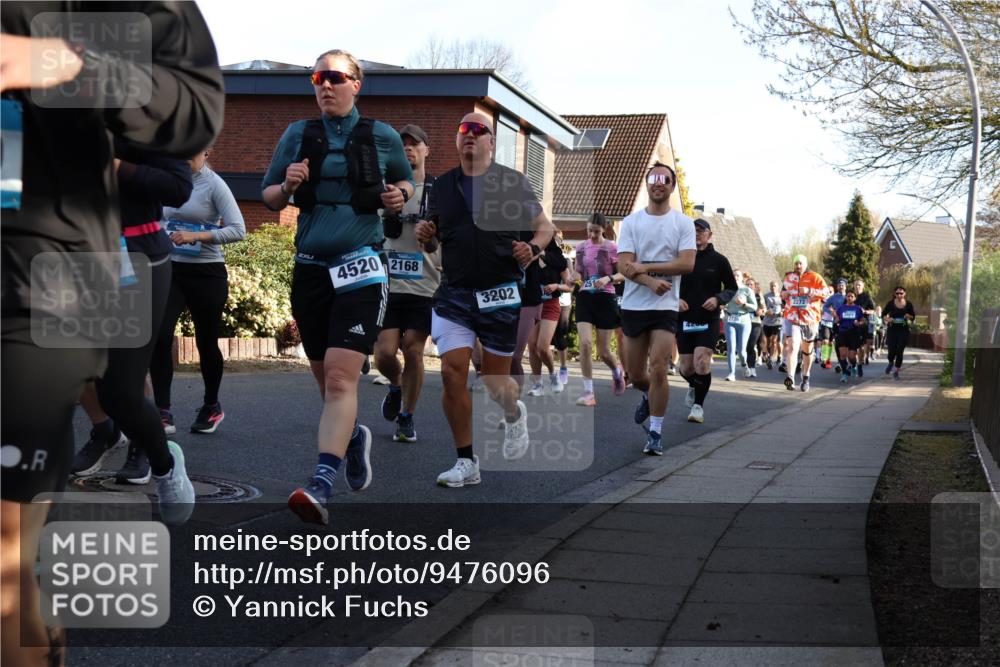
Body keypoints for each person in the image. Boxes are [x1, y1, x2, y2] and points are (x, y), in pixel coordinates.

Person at [1, 4, 224, 665]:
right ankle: (91, 441)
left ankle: (164, 463)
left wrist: (63, 70)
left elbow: (182, 154)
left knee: (123, 388)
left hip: (115, 256)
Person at [261, 50, 413, 523]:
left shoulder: (383, 136)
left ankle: (321, 484)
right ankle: (352, 438)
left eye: (334, 77)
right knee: (326, 379)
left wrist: (400, 195)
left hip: (361, 264)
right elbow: (268, 198)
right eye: (317, 77)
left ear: (356, 84)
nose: (325, 85)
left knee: (342, 378)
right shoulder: (297, 134)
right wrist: (288, 186)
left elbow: (406, 182)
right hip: (310, 267)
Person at [414, 112, 554, 487]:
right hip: (455, 293)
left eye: (479, 130)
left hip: (499, 293)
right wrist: (426, 235)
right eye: (464, 129)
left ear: (492, 141)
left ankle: (513, 413)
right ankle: (466, 461)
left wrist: (532, 249)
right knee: (452, 371)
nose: (470, 135)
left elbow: (545, 228)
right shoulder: (442, 186)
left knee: (495, 382)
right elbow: (431, 240)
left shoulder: (513, 182)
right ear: (456, 139)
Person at [71, 143, 194, 492]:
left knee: (121, 389)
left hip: (133, 256)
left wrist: (115, 166)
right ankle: (106, 430)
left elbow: (178, 187)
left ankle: (159, 460)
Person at [149, 147, 245, 435]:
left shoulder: (215, 185)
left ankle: (211, 406)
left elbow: (238, 230)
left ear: (207, 152)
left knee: (206, 341)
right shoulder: (166, 180)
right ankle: (162, 411)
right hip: (170, 269)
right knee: (160, 336)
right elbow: (156, 219)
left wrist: (198, 235)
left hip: (206, 273)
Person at [619, 163, 696, 455]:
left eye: (664, 179)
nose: (658, 182)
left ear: (672, 186)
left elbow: (687, 263)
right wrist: (650, 281)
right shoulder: (631, 222)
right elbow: (624, 265)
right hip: (634, 304)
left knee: (660, 367)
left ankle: (655, 433)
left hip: (665, 305)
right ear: (647, 184)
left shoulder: (683, 223)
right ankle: (647, 395)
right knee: (637, 375)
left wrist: (648, 267)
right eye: (653, 178)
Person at [374, 124, 439, 442]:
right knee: (384, 354)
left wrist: (432, 238)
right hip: (388, 285)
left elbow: (442, 242)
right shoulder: (385, 190)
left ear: (427, 149)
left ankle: (406, 417)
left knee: (413, 349)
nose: (409, 149)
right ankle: (396, 385)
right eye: (403, 145)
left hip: (424, 286)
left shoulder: (437, 193)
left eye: (415, 143)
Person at [677, 218, 737, 423]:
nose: (696, 234)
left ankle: (697, 407)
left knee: (702, 362)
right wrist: (676, 300)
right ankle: (694, 385)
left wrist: (718, 299)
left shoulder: (719, 260)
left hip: (707, 319)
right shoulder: (681, 258)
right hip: (684, 318)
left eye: (701, 231)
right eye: (693, 230)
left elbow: (732, 288)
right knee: (686, 368)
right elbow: (668, 283)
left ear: (709, 235)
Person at [573, 213, 626, 406]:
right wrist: (573, 276)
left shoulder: (612, 248)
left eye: (596, 231)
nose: (592, 235)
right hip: (585, 298)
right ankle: (588, 392)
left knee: (604, 352)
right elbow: (579, 272)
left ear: (604, 229)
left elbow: (623, 274)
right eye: (589, 231)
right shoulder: (581, 247)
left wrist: (608, 278)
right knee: (585, 343)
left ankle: (616, 372)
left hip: (606, 298)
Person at [780, 254, 831, 392]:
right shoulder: (789, 278)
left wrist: (809, 291)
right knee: (792, 346)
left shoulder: (815, 277)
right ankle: (790, 377)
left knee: (807, 351)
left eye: (800, 263)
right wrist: (784, 295)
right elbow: (783, 293)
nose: (798, 266)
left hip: (810, 319)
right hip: (792, 317)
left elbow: (826, 293)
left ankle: (806, 377)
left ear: (805, 264)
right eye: (796, 263)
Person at [527, 235, 570, 396]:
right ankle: (538, 384)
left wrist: (556, 286)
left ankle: (553, 375)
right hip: (532, 304)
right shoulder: (529, 258)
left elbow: (570, 286)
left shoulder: (557, 261)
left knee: (542, 347)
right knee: (532, 345)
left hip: (551, 305)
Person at [722, 270, 757, 381]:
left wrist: (744, 304)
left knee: (741, 350)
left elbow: (755, 307)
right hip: (729, 320)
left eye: (737, 275)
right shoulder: (727, 290)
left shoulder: (747, 290)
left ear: (742, 278)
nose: (735, 277)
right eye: (733, 275)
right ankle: (731, 373)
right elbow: (721, 302)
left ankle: (744, 364)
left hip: (743, 321)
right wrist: (721, 305)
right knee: (731, 348)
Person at [883, 286, 916, 380]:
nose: (899, 295)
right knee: (891, 351)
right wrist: (888, 319)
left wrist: (908, 316)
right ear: (895, 294)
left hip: (903, 330)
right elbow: (883, 314)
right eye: (897, 293)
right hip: (892, 329)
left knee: (900, 351)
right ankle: (890, 362)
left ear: (904, 294)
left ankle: (896, 371)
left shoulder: (908, 304)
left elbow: (913, 316)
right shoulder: (890, 303)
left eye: (901, 293)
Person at [834, 290, 867, 382]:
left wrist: (859, 323)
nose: (849, 298)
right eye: (848, 296)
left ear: (855, 298)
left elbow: (863, 320)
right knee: (842, 354)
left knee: (851, 356)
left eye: (852, 296)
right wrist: (836, 320)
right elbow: (836, 319)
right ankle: (844, 374)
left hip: (853, 333)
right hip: (842, 332)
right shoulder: (841, 308)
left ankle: (853, 365)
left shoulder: (858, 308)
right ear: (846, 297)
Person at [822, 279, 848, 371]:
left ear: (845, 287)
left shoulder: (849, 296)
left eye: (842, 285)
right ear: (837, 287)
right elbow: (824, 307)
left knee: (846, 344)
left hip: (848, 323)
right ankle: (838, 362)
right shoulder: (833, 297)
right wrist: (832, 312)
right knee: (838, 344)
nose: (841, 287)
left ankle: (845, 361)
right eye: (839, 285)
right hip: (836, 323)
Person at [853, 278, 876, 368]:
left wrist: (865, 311)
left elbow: (873, 310)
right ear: (853, 286)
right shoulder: (850, 296)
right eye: (856, 285)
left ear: (863, 286)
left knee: (862, 344)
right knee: (854, 344)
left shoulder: (866, 297)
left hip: (863, 323)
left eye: (859, 285)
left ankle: (862, 359)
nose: (857, 287)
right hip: (852, 323)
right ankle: (857, 361)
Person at [761, 280, 783, 369]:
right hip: (767, 322)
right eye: (771, 286)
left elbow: (786, 307)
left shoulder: (782, 296)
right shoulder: (766, 296)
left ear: (778, 287)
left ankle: (772, 358)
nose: (773, 287)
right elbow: (762, 307)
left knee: (774, 341)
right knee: (767, 342)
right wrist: (766, 311)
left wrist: (782, 312)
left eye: (774, 286)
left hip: (777, 322)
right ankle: (768, 355)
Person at [745, 277, 764, 377]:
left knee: (751, 345)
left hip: (756, 323)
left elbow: (763, 308)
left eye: (751, 284)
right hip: (744, 323)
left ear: (754, 286)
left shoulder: (758, 296)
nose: (749, 286)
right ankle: (746, 367)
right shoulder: (742, 295)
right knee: (746, 347)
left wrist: (761, 311)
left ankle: (752, 368)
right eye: (747, 284)